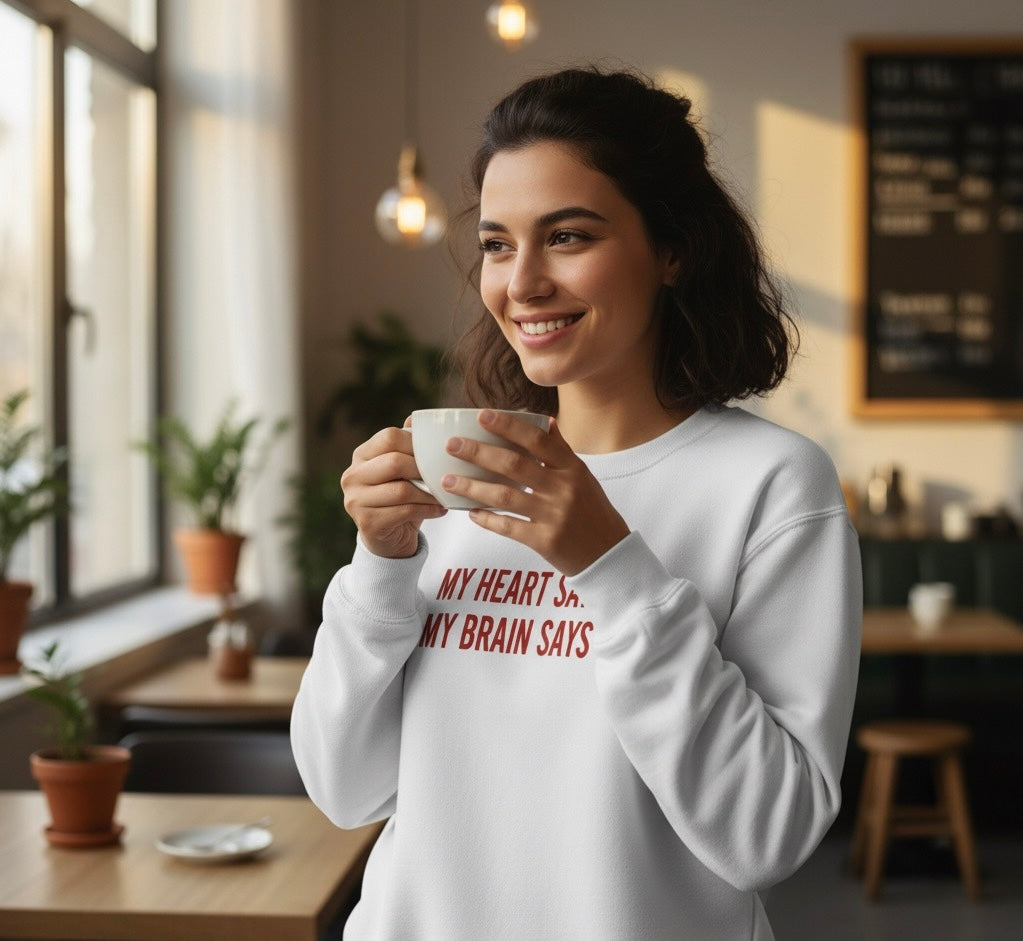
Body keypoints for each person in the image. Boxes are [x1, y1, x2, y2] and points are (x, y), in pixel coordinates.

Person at [291, 65, 862, 940]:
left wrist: (613, 566)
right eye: (494, 243)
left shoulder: (772, 485)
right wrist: (381, 566)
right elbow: (344, 789)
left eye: (566, 236)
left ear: (671, 249)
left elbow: (765, 832)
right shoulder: (457, 471)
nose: (521, 283)